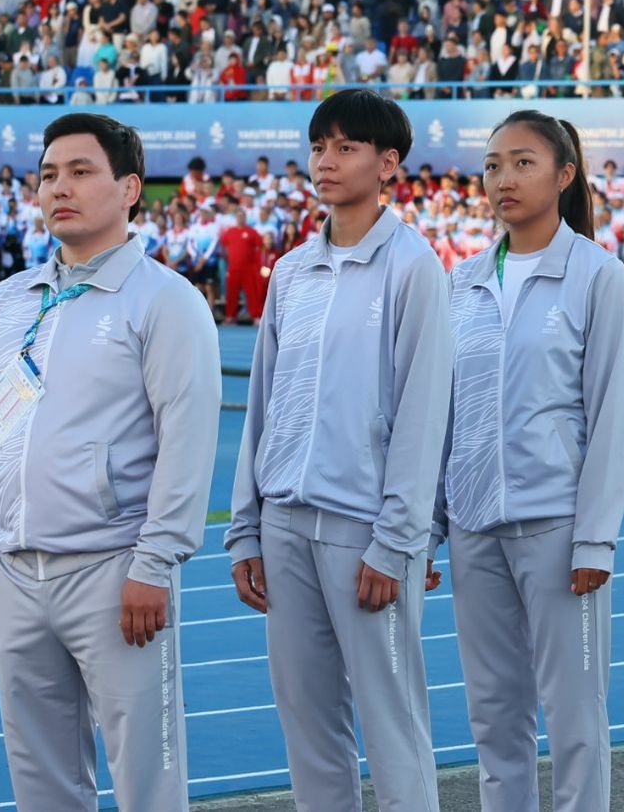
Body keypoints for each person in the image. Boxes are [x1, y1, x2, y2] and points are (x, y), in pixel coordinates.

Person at [0, 112, 222, 812]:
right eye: (48, 175)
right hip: (18, 572)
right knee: (40, 779)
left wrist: (155, 563)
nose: (59, 187)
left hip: (114, 571)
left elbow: (187, 439)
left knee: (146, 779)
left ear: (129, 189)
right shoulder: (11, 302)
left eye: (81, 171)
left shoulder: (164, 300)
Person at [226, 88, 454, 812]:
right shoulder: (292, 271)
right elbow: (261, 404)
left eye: (346, 147)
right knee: (307, 721)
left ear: (388, 163)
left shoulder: (413, 268)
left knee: (392, 721)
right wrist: (244, 526)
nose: (326, 161)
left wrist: (398, 540)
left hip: (365, 530)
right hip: (285, 521)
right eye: (320, 144)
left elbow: (425, 414)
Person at [434, 110, 624, 812]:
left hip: (556, 527)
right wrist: (431, 523)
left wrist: (595, 537)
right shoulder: (460, 282)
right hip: (473, 524)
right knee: (494, 715)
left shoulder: (595, 274)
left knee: (574, 716)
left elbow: (610, 414)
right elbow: (444, 412)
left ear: (564, 175)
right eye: (492, 165)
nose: (503, 179)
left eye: (523, 162)